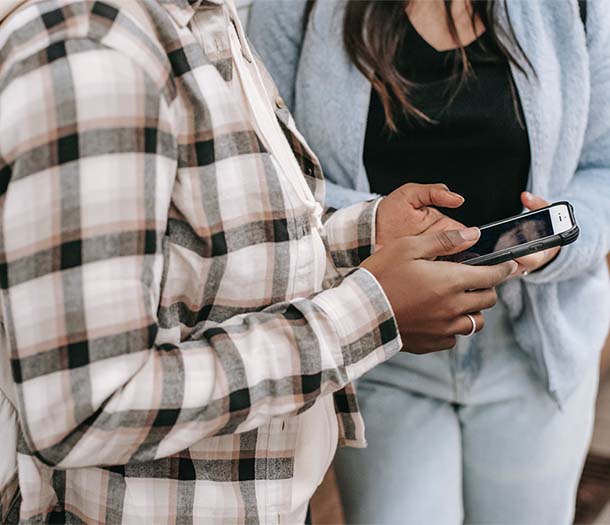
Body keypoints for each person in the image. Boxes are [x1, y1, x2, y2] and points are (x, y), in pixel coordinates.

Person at [0, 0, 517, 523]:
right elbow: (87, 407)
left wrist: (369, 235)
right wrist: (368, 315)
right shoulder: (93, 49)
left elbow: (208, 251)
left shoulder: (201, 16)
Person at [249, 1, 610, 523]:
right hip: (381, 347)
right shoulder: (295, 8)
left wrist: (556, 242)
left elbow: (603, 165)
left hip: (536, 350)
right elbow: (276, 180)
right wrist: (378, 228)